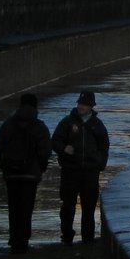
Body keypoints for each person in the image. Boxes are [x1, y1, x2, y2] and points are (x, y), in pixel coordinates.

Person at [0, 94, 51, 254]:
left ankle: (14, 240)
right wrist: (40, 168)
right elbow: (45, 151)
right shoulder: (39, 126)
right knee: (26, 208)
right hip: (30, 175)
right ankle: (23, 241)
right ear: (35, 107)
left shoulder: (7, 125)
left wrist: (5, 167)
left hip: (11, 174)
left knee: (13, 207)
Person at [51, 91, 109, 245]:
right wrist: (64, 149)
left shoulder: (98, 125)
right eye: (79, 103)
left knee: (89, 207)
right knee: (68, 205)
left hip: (91, 172)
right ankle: (67, 235)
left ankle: (88, 238)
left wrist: (100, 164)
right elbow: (55, 141)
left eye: (84, 104)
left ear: (91, 107)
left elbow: (104, 147)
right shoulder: (67, 122)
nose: (80, 106)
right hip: (70, 171)